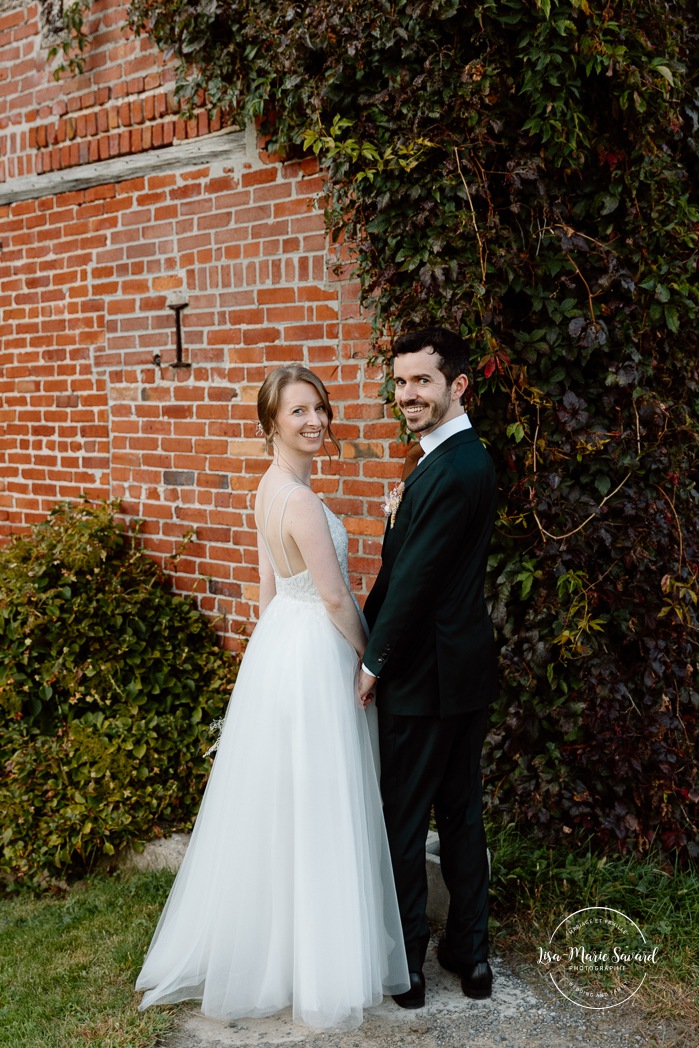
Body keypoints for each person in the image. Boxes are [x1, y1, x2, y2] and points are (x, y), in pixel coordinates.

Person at [136, 365, 409, 1030]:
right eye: (298, 412)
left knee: (288, 803)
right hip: (313, 652)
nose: (315, 421)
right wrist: (370, 660)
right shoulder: (301, 502)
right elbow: (338, 597)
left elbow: (266, 591)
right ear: (271, 425)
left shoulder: (267, 490)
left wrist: (262, 669)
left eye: (319, 408)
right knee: (321, 801)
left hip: (280, 648)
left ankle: (282, 949)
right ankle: (321, 963)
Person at [357, 327, 499, 1009]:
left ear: (457, 386)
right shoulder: (456, 459)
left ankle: (408, 969)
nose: (406, 393)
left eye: (421, 381)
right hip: (464, 671)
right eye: (401, 380)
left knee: (405, 821)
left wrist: (373, 661)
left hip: (422, 677)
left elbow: (411, 580)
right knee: (462, 815)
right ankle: (470, 957)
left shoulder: (449, 467)